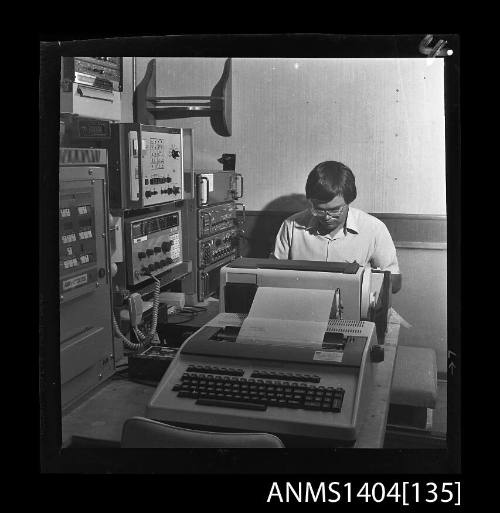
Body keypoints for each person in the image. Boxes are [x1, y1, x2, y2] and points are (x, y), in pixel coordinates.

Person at [272, 161, 402, 293]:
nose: (327, 217)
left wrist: (363, 280)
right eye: (318, 209)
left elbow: (395, 284)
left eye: (335, 210)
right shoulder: (291, 226)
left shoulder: (374, 228)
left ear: (349, 201)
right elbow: (271, 276)